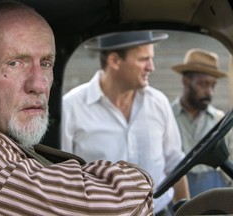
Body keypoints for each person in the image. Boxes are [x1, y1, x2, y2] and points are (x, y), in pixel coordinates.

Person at [0, 1, 155, 215]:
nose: (39, 85)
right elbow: (122, 205)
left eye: (45, 64)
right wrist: (140, 180)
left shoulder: (1, 142)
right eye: (14, 63)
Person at [61, 31, 190, 215]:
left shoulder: (158, 102)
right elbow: (62, 177)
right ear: (114, 61)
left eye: (151, 58)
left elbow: (175, 163)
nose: (151, 67)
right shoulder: (71, 108)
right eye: (143, 59)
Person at [171, 48, 232, 197]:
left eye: (212, 85)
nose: (209, 92)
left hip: (215, 197)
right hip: (177, 198)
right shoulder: (168, 117)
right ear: (186, 81)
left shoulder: (220, 121)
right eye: (203, 84)